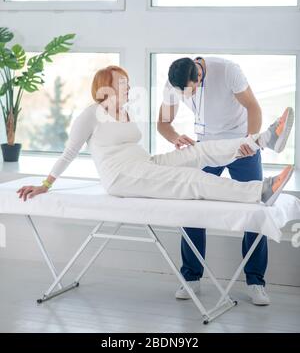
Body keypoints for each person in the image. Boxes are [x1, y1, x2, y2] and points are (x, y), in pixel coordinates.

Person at [17, 65, 293, 260]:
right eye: (121, 82)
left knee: (198, 152)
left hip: (144, 164)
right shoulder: (90, 115)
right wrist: (45, 184)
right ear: (105, 87)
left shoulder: (125, 111)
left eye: (126, 81)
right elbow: (69, 153)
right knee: (192, 179)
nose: (127, 86)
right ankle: (261, 190)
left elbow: (134, 144)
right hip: (123, 177)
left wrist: (172, 142)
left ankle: (264, 139)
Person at [157, 56, 294, 305]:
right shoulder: (173, 84)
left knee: (256, 210)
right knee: (192, 208)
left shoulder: (228, 71)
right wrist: (175, 137)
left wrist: (250, 141)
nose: (191, 94)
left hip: (240, 145)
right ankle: (191, 277)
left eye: (193, 88)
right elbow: (163, 123)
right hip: (207, 148)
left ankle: (255, 281)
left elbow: (253, 107)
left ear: (199, 74)